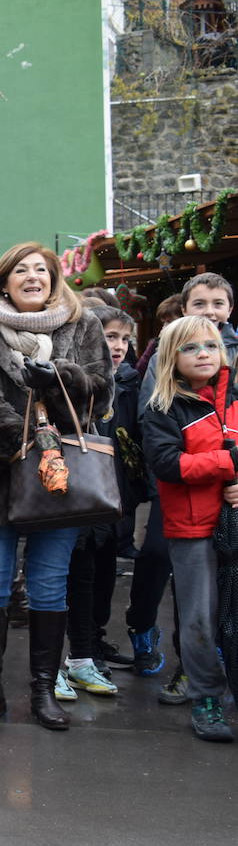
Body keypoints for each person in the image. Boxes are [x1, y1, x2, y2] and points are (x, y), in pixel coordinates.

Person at [0, 242, 111, 731]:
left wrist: (62, 377)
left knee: (47, 584)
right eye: (21, 271)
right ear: (4, 281)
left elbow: (103, 389)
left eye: (41, 270)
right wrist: (27, 441)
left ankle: (43, 691)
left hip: (61, 479)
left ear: (55, 278)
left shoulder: (83, 324)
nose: (32, 277)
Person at [130, 273, 238, 682]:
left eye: (211, 345)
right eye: (191, 348)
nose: (204, 353)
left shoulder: (233, 393)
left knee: (226, 609)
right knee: (195, 609)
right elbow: (167, 460)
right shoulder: (165, 402)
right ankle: (200, 686)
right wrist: (229, 464)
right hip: (188, 516)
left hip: (230, 512)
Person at [55, 304, 145, 703]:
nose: (120, 346)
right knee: (62, 579)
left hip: (111, 498)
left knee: (95, 576)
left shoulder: (129, 383)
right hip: (74, 494)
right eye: (111, 337)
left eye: (126, 339)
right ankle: (54, 662)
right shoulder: (76, 380)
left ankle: (86, 653)